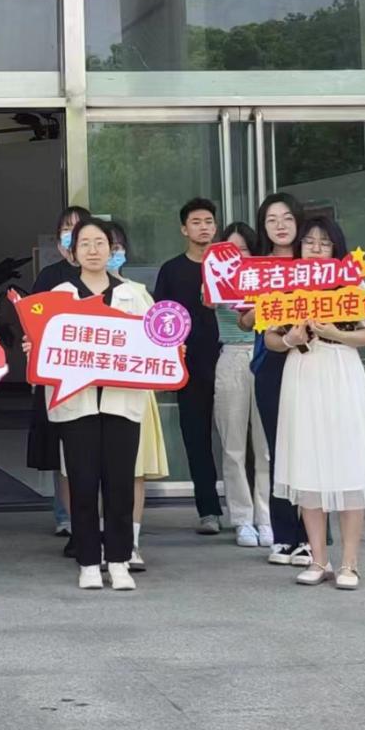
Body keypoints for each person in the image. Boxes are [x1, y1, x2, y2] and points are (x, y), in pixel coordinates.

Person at [268, 217, 365, 590]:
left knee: (348, 461)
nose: (316, 248)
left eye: (324, 243)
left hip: (341, 370)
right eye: (309, 241)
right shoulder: (286, 283)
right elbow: (271, 338)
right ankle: (318, 559)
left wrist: (335, 333)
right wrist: (290, 340)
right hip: (302, 371)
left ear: (336, 248)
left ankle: (349, 564)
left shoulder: (352, 283)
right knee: (307, 461)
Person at [34, 219, 151, 591]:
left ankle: (118, 559)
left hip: (122, 401)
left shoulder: (134, 294)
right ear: (73, 251)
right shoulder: (60, 296)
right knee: (83, 482)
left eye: (100, 242)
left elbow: (156, 342)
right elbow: (42, 345)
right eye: (84, 243)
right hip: (77, 403)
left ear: (112, 249)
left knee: (120, 483)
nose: (93, 250)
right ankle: (87, 560)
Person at [151, 198, 228, 536]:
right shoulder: (172, 270)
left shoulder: (230, 268)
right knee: (197, 440)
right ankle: (208, 510)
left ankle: (250, 510)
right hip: (190, 367)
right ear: (184, 229)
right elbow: (159, 318)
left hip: (231, 361)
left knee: (240, 442)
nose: (203, 227)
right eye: (196, 222)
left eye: (208, 221)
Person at [244, 193, 311, 569]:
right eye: (271, 220)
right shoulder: (256, 268)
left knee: (311, 448)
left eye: (287, 218)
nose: (280, 226)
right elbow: (244, 320)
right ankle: (285, 535)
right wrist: (263, 309)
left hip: (313, 362)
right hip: (271, 362)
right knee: (279, 449)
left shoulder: (315, 264)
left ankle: (313, 536)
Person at [107, 220, 168, 573]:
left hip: (134, 393)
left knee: (134, 471)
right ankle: (100, 539)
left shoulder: (138, 292)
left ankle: (130, 542)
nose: (108, 253)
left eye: (115, 247)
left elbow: (159, 340)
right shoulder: (73, 294)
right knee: (96, 471)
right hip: (92, 396)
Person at [29, 205, 92, 540]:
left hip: (96, 377)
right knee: (63, 450)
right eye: (68, 228)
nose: (74, 233)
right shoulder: (49, 277)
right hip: (59, 378)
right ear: (59, 241)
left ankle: (94, 516)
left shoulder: (104, 277)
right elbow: (33, 321)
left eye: (80, 227)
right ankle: (66, 515)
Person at [210, 223, 272, 548]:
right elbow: (208, 301)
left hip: (264, 354)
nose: (238, 256)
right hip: (231, 355)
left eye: (244, 249)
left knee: (265, 447)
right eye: (230, 251)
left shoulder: (267, 278)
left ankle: (267, 517)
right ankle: (242, 519)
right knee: (233, 445)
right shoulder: (215, 278)